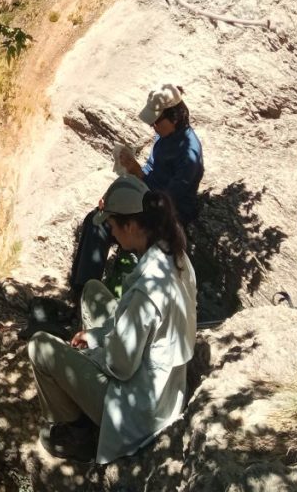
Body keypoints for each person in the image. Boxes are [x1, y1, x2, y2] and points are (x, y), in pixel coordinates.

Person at [28, 176, 197, 464]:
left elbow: (121, 366)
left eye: (112, 226)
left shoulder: (147, 290)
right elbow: (130, 323)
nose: (111, 233)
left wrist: (93, 353)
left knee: (39, 347)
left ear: (130, 226)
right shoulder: (174, 252)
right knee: (93, 291)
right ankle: (82, 398)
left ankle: (79, 432)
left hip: (139, 409)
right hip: (161, 382)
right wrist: (96, 335)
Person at [69, 83, 204, 296]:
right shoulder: (164, 138)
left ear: (175, 118)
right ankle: (80, 289)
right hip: (147, 201)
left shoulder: (189, 153)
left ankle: (86, 293)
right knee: (94, 219)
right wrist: (113, 196)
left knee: (103, 225)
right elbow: (150, 171)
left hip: (167, 215)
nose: (153, 127)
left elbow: (168, 200)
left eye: (157, 121)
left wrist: (138, 173)